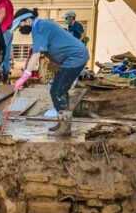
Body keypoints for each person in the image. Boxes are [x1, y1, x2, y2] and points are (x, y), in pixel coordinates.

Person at [12, 8, 89, 136]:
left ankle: (64, 126)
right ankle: (63, 123)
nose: (20, 28)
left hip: (75, 58)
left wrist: (24, 76)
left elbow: (36, 55)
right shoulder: (41, 25)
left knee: (57, 91)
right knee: (60, 90)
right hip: (74, 57)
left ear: (28, 19)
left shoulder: (40, 28)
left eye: (20, 24)